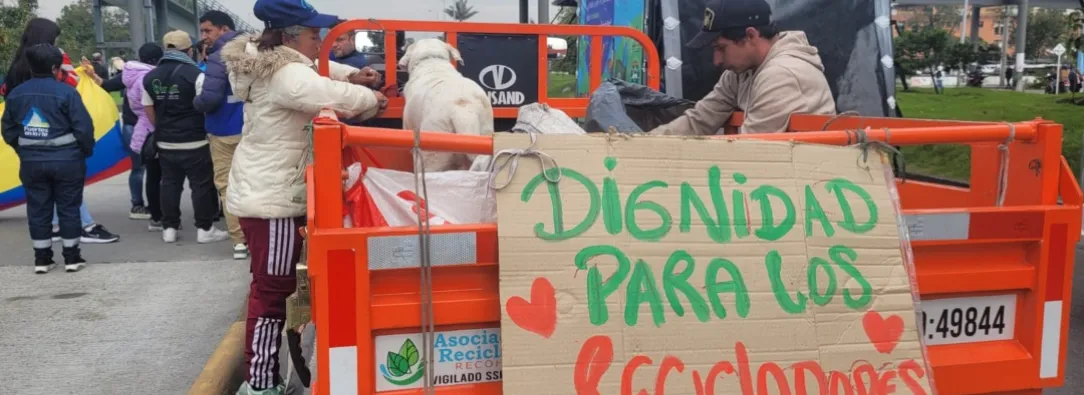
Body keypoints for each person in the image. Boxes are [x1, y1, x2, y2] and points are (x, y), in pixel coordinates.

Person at [222, 0, 387, 391]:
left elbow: (321, 73)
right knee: (272, 292)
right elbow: (323, 90)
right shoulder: (287, 74)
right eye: (316, 36)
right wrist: (371, 98)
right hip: (274, 199)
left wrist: (354, 73)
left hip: (268, 189)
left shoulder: (274, 61)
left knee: (271, 288)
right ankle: (260, 382)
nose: (323, 42)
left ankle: (262, 378)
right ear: (292, 36)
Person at [1, 18, 120, 244]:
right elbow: (70, 84)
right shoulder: (55, 57)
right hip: (57, 133)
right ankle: (85, 226)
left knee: (45, 188)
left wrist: (18, 143)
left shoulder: (18, 63)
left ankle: (54, 228)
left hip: (30, 136)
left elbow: (8, 98)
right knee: (67, 185)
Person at [648, 0, 835, 135]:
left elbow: (746, 155)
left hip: (812, 184)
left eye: (721, 48)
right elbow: (700, 119)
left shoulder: (782, 76)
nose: (717, 61)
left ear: (751, 36)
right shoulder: (740, 72)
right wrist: (641, 146)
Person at [1, 44, 94, 273]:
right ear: (56, 68)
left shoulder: (17, 93)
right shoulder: (67, 92)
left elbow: (8, 129)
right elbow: (83, 128)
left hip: (32, 162)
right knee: (69, 207)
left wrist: (23, 149)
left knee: (38, 208)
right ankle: (72, 258)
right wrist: (84, 151)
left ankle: (42, 259)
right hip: (67, 160)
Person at [142, 30, 229, 244]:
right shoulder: (196, 74)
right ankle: (204, 229)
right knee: (200, 185)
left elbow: (148, 108)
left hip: (165, 141)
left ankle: (169, 228)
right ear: (189, 51)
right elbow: (205, 105)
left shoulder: (150, 76)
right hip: (195, 139)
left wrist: (162, 128)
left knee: (169, 184)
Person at [194, 10, 249, 260]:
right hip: (253, 129)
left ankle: (239, 241)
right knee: (255, 183)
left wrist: (196, 102)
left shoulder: (217, 59)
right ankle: (260, 236)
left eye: (208, 30)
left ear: (223, 29)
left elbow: (210, 99)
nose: (204, 36)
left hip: (223, 131)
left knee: (227, 186)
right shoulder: (256, 51)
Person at [95, 51, 151, 220]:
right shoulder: (156, 75)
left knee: (137, 168)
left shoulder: (129, 75)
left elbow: (105, 85)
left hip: (130, 126)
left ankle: (137, 205)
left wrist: (90, 75)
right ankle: (155, 204)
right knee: (156, 169)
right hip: (150, 126)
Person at [124, 43, 165, 230]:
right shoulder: (148, 79)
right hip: (151, 129)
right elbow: (150, 107)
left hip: (139, 129)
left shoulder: (132, 76)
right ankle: (157, 214)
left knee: (144, 171)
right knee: (157, 174)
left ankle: (142, 206)